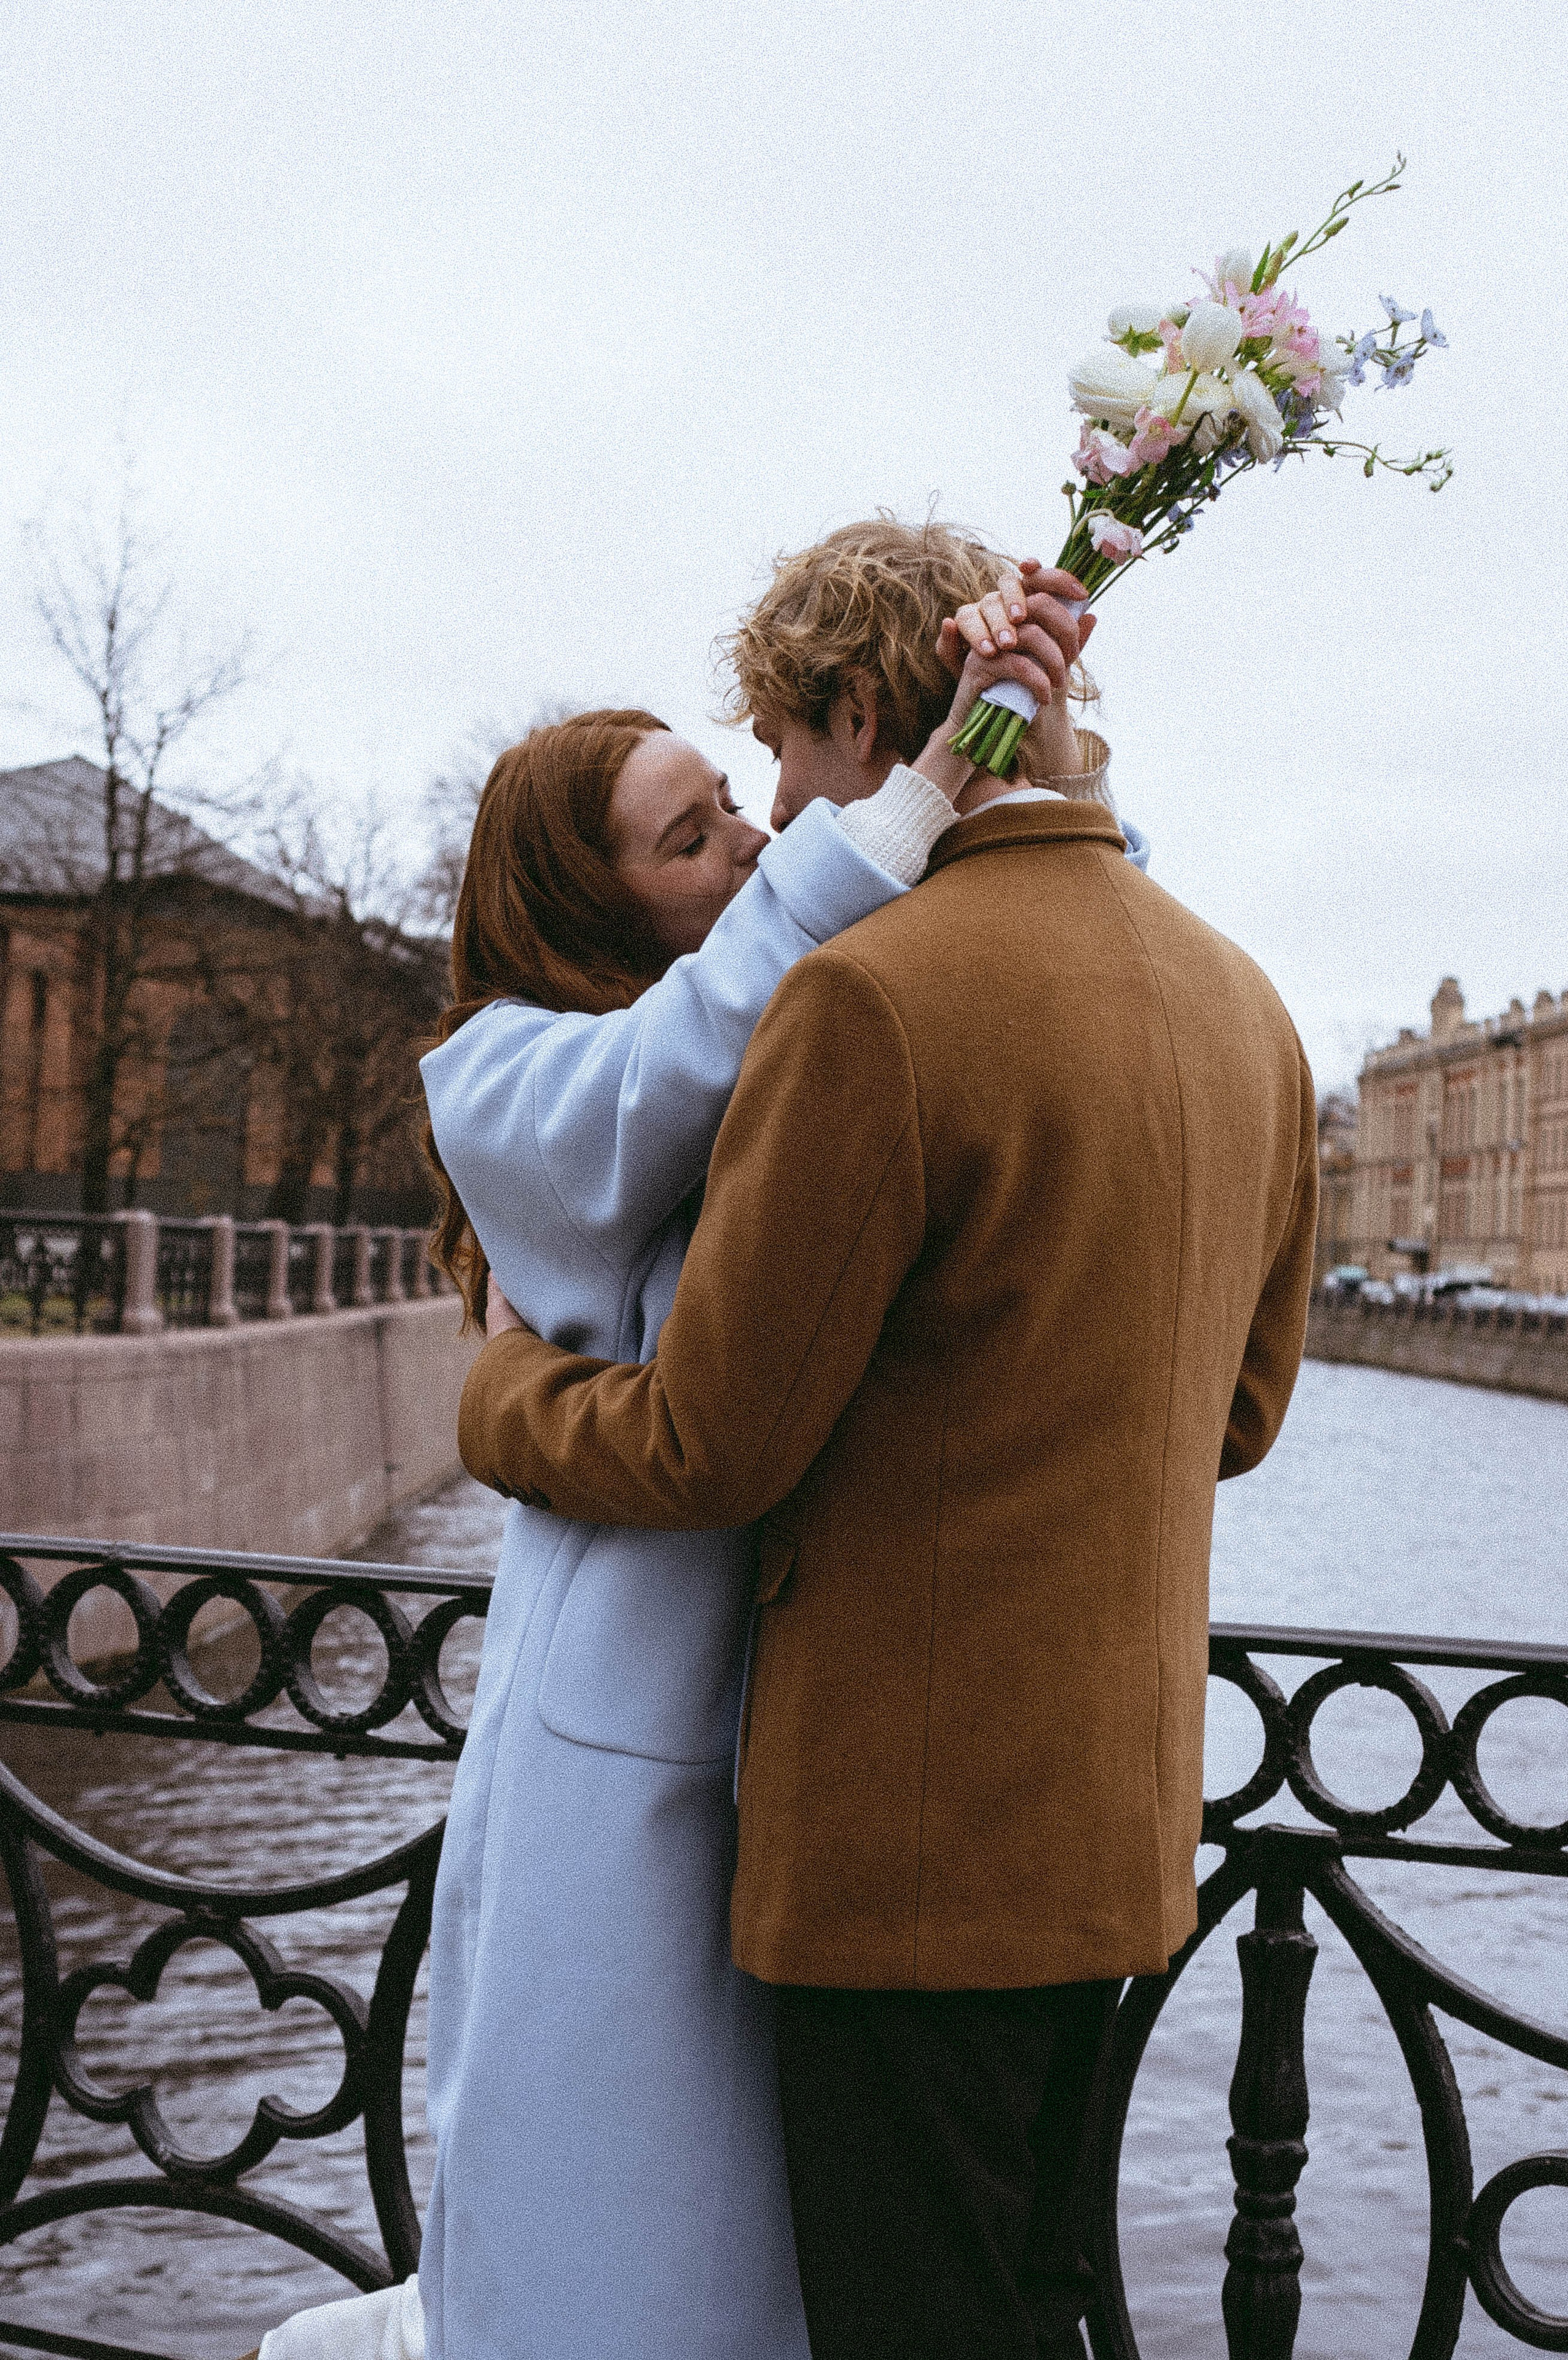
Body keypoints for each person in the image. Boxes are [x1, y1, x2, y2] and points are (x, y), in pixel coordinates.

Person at [250, 523, 1145, 2360]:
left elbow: (1037, 981)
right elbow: (684, 1063)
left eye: (744, 802)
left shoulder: (800, 1019)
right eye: (691, 836)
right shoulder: (506, 1071)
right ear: (579, 908)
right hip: (628, 1745)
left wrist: (1041, 763)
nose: (753, 843)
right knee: (617, 2212)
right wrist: (905, 804)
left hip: (813, 1747)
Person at [455, 521, 1320, 2360]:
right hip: (1120, 1825)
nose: (779, 810)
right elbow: (1236, 1418)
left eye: (776, 751)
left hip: (902, 1852)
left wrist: (500, 1393)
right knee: (1037, 2294)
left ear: (861, 714)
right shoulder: (1251, 1007)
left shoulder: (875, 1002)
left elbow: (712, 1446)